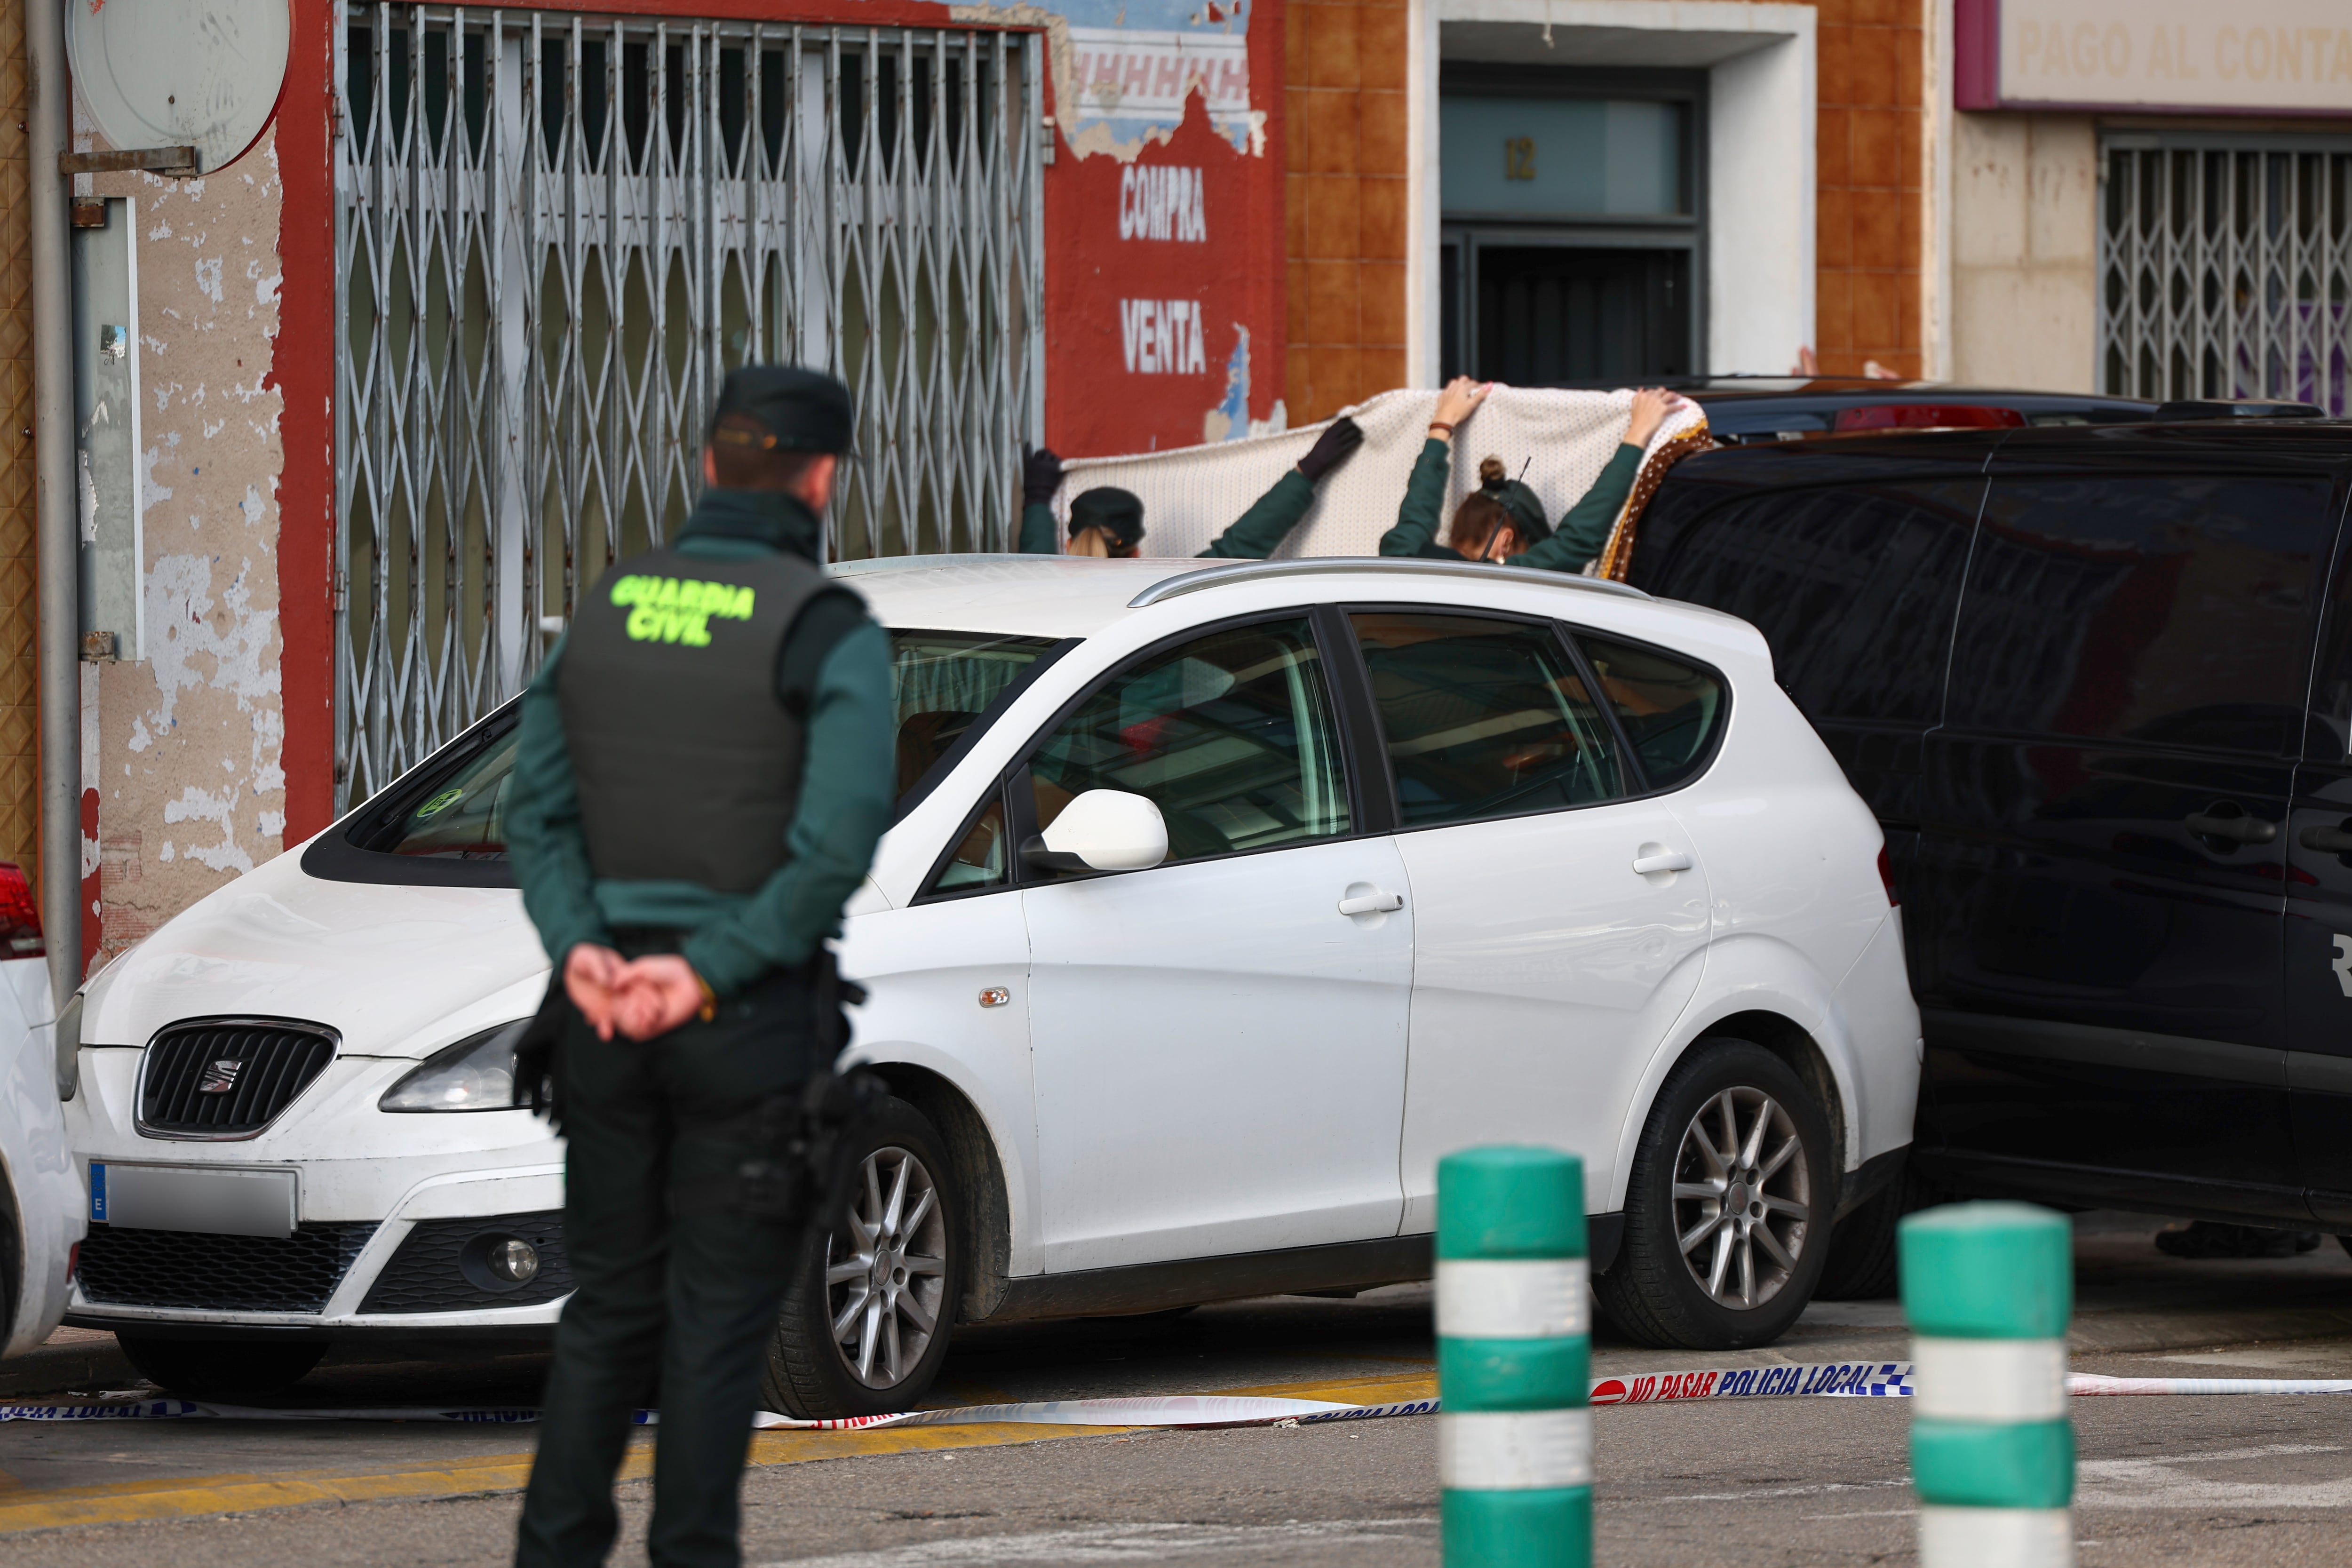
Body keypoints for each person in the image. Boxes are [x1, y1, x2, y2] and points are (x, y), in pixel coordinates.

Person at [504, 366, 896, 1568]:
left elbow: (535, 818)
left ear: (710, 462)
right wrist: (707, 972)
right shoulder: (824, 627)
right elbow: (833, 849)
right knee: (717, 1328)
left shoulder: (609, 609)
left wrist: (582, 954)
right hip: (743, 1022)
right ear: (822, 476)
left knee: (607, 1312)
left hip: (599, 1026)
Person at [1381, 379, 1686, 570]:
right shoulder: (1503, 587)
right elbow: (1577, 539)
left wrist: (1443, 421)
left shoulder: (1404, 562)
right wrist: (1639, 432)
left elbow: (1415, 517)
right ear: (1505, 543)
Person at [1019, 416, 1366, 557]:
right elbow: (1236, 550)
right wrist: (1308, 471)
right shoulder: (1153, 598)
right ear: (1137, 550)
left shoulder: (1047, 597)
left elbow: (1034, 566)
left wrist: (1037, 499)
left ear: (1067, 543)